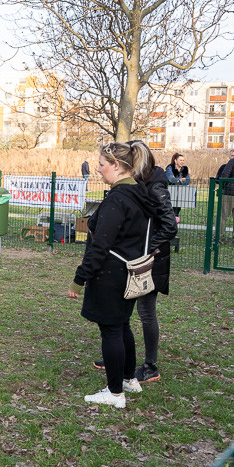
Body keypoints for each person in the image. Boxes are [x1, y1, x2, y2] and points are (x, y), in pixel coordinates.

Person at [67, 142, 170, 407]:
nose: (99, 170)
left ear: (117, 165)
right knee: (122, 325)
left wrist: (79, 279)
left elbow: (100, 245)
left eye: (102, 164)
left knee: (111, 330)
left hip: (111, 274)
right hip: (130, 271)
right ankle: (128, 379)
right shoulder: (139, 194)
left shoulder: (118, 200)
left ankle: (114, 394)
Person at [129, 141, 178, 384]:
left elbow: (170, 226)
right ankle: (120, 353)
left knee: (146, 312)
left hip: (152, 259)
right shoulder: (140, 184)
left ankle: (151, 365)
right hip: (137, 256)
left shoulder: (156, 185)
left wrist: (147, 248)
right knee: (123, 306)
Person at [164, 152, 190, 218]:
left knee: (177, 211)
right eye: (180, 160)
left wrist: (177, 180)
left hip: (180, 193)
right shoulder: (170, 168)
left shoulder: (185, 169)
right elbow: (170, 179)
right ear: (175, 161)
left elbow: (187, 181)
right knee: (170, 210)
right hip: (170, 191)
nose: (182, 162)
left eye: (183, 160)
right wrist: (180, 179)